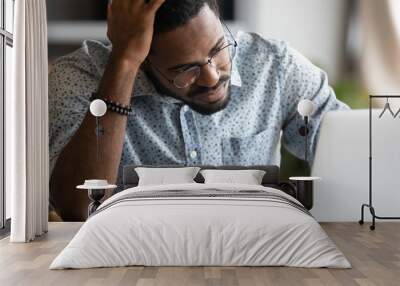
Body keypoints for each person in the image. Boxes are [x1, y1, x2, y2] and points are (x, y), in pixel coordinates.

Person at [49, 0, 349, 221]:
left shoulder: (275, 67)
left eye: (218, 49)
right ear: (144, 60)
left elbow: (355, 156)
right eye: (185, 69)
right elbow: (77, 208)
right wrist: (123, 63)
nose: (212, 77)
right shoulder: (77, 78)